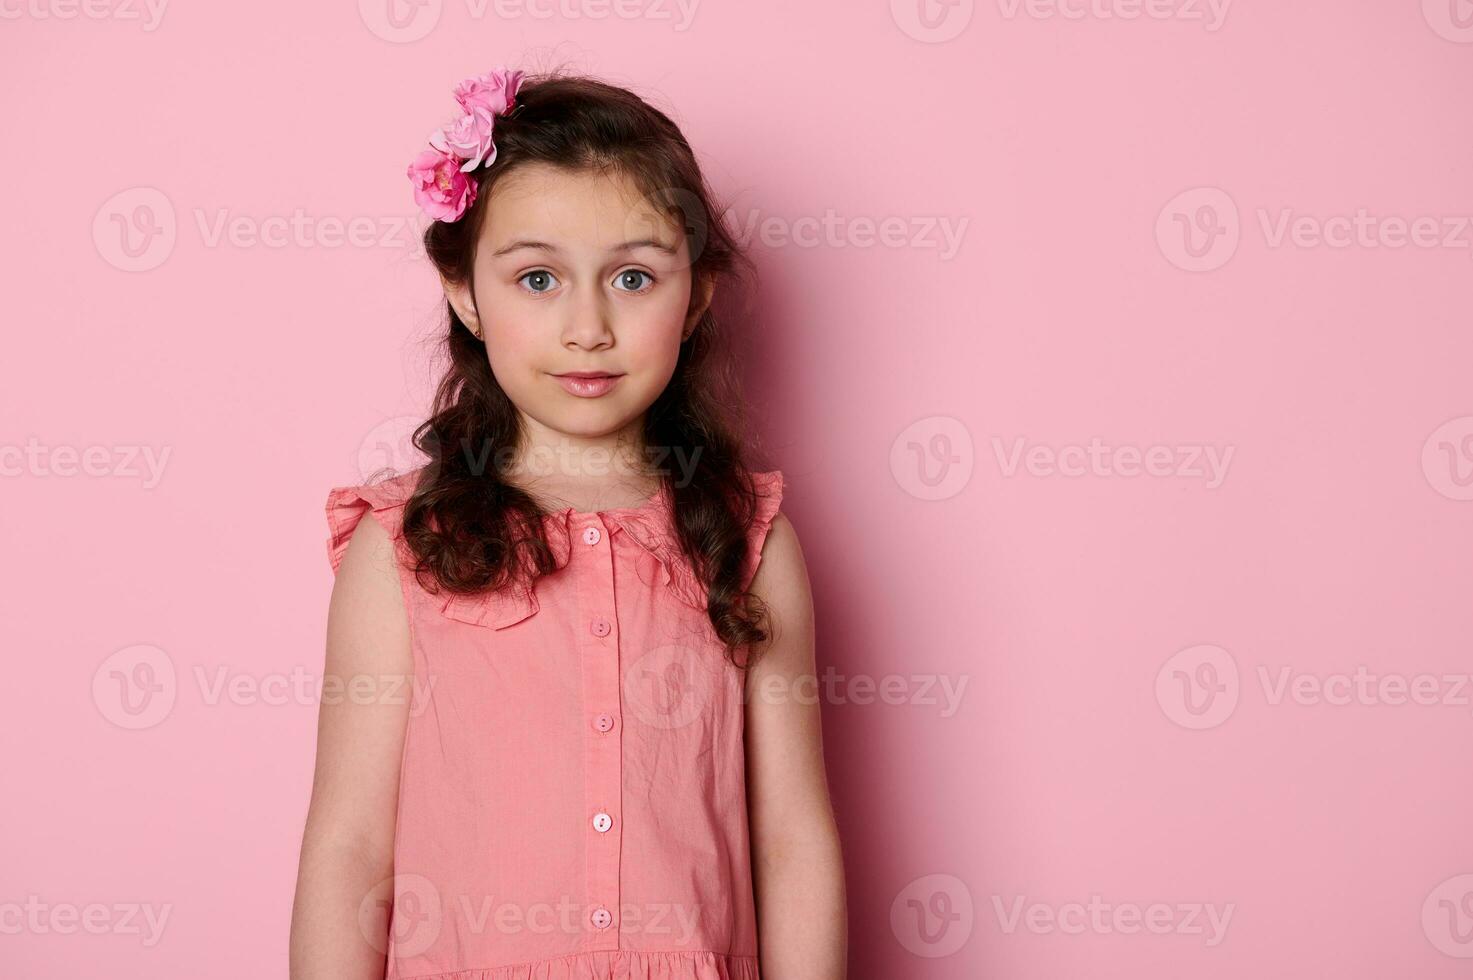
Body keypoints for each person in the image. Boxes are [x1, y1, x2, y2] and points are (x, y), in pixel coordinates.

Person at [289, 67, 846, 980]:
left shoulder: (747, 540)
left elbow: (794, 839)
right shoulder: (400, 548)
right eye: (538, 277)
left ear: (697, 294)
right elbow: (348, 847)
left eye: (632, 276)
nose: (587, 326)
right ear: (465, 290)